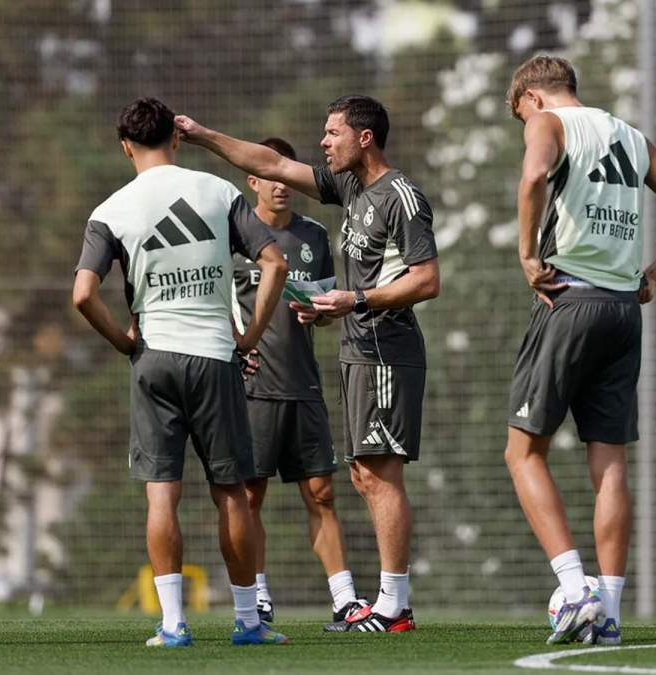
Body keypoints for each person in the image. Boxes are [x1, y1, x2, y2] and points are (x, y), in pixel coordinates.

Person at [177, 94, 440, 634]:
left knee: (380, 474)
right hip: (357, 350)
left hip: (386, 350)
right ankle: (382, 601)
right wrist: (202, 135)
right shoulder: (351, 188)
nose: (323, 142)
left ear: (364, 138)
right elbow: (271, 163)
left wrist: (355, 300)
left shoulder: (401, 196)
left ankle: (394, 605)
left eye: (332, 132)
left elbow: (427, 280)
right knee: (364, 475)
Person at [500, 55, 656, 645]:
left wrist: (526, 256)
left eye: (520, 116)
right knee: (610, 461)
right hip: (623, 309)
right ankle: (611, 613)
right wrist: (654, 274)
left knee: (523, 453)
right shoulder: (631, 137)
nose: (525, 127)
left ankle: (575, 590)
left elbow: (534, 177)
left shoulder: (549, 123)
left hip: (569, 299)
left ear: (532, 98)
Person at [73, 98, 289, 647]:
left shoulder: (110, 210)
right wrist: (250, 336)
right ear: (175, 137)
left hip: (154, 359)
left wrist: (124, 342)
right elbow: (275, 263)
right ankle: (248, 622)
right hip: (215, 357)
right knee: (232, 494)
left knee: (161, 495)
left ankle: (172, 624)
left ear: (126, 146)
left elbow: (82, 294)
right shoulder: (217, 191)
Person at [232, 137, 366, 627]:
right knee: (250, 495)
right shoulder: (233, 236)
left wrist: (320, 314)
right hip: (251, 388)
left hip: (303, 384)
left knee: (322, 492)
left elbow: (325, 308)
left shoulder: (313, 235)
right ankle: (258, 596)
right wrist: (234, 347)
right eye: (270, 177)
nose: (280, 185)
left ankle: (344, 598)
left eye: (285, 175)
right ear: (253, 181)